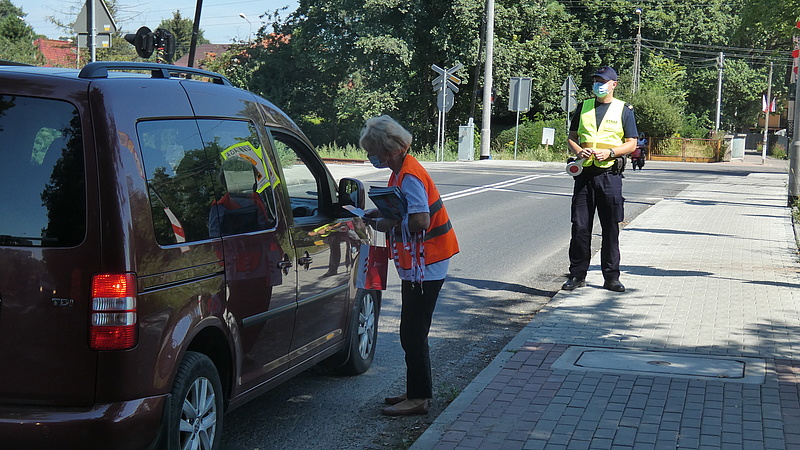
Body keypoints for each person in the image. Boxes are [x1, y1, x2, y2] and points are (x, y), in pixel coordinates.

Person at [359, 115, 459, 416]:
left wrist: (385, 224)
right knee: (412, 331)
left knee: (413, 332)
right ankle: (416, 390)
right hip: (422, 262)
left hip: (426, 263)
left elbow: (420, 221)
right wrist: (379, 212)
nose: (371, 157)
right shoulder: (402, 171)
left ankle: (419, 397)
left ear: (388, 150)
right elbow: (404, 208)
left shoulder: (410, 175)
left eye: (373, 152)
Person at [562, 66, 638, 293]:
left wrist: (611, 152)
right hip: (585, 175)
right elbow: (572, 137)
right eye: (596, 80)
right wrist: (579, 151)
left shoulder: (624, 109)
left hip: (609, 175)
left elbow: (632, 143)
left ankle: (611, 277)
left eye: (603, 81)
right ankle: (577, 275)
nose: (598, 85)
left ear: (614, 84)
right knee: (580, 227)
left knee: (610, 228)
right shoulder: (583, 107)